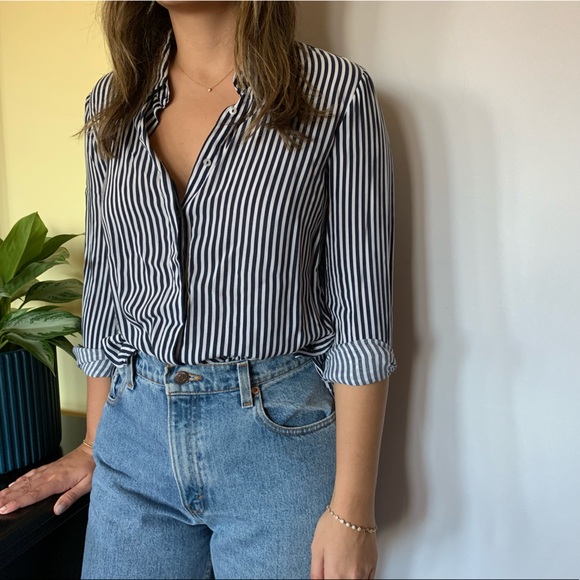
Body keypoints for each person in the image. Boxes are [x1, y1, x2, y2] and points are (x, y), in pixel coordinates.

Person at [0, 2, 396, 578]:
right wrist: (91, 444)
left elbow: (362, 318)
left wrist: (353, 512)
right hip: (133, 438)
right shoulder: (114, 100)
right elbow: (107, 289)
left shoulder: (334, 93)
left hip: (277, 446)